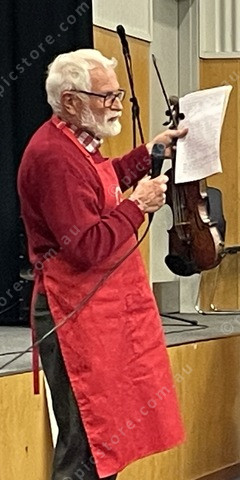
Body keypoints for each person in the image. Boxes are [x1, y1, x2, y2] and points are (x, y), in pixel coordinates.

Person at [18, 49, 188, 479]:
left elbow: (103, 179)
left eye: (117, 95)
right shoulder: (54, 156)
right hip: (73, 313)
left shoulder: (75, 143)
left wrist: (149, 152)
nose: (116, 105)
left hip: (97, 311)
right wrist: (138, 206)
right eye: (107, 97)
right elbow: (86, 246)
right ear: (71, 101)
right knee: (87, 444)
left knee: (107, 436)